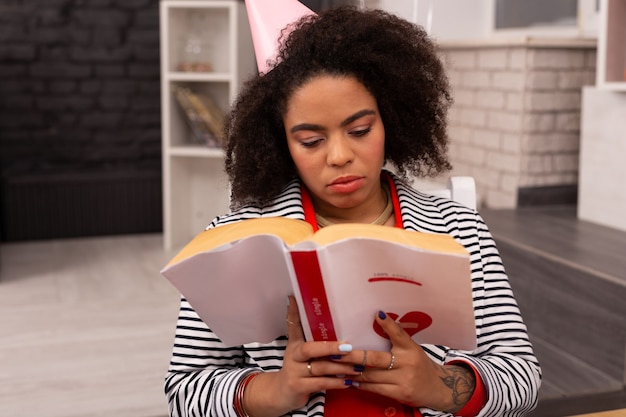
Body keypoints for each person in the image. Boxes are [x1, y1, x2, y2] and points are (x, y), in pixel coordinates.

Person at [164, 5, 541, 417]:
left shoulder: (458, 228)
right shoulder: (236, 238)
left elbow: (522, 374)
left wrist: (441, 386)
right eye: (311, 140)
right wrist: (274, 391)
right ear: (281, 145)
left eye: (360, 131)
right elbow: (185, 389)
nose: (340, 156)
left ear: (390, 121)